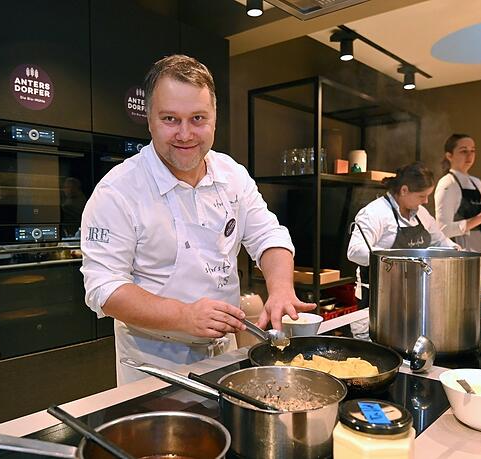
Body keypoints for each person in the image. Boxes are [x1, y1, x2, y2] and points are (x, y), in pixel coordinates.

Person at [80, 55, 315, 385]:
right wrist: (183, 316)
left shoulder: (232, 175)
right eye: (171, 119)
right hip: (153, 362)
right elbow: (104, 287)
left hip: (225, 352)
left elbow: (268, 236)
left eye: (198, 118)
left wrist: (280, 290)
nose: (186, 133)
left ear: (214, 119)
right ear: (149, 119)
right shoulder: (118, 191)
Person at [347, 162, 458, 303]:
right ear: (404, 190)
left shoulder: (421, 213)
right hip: (378, 298)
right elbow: (355, 251)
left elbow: (440, 240)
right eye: (422, 196)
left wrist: (457, 251)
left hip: (414, 296)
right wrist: (397, 259)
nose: (426, 201)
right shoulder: (375, 212)